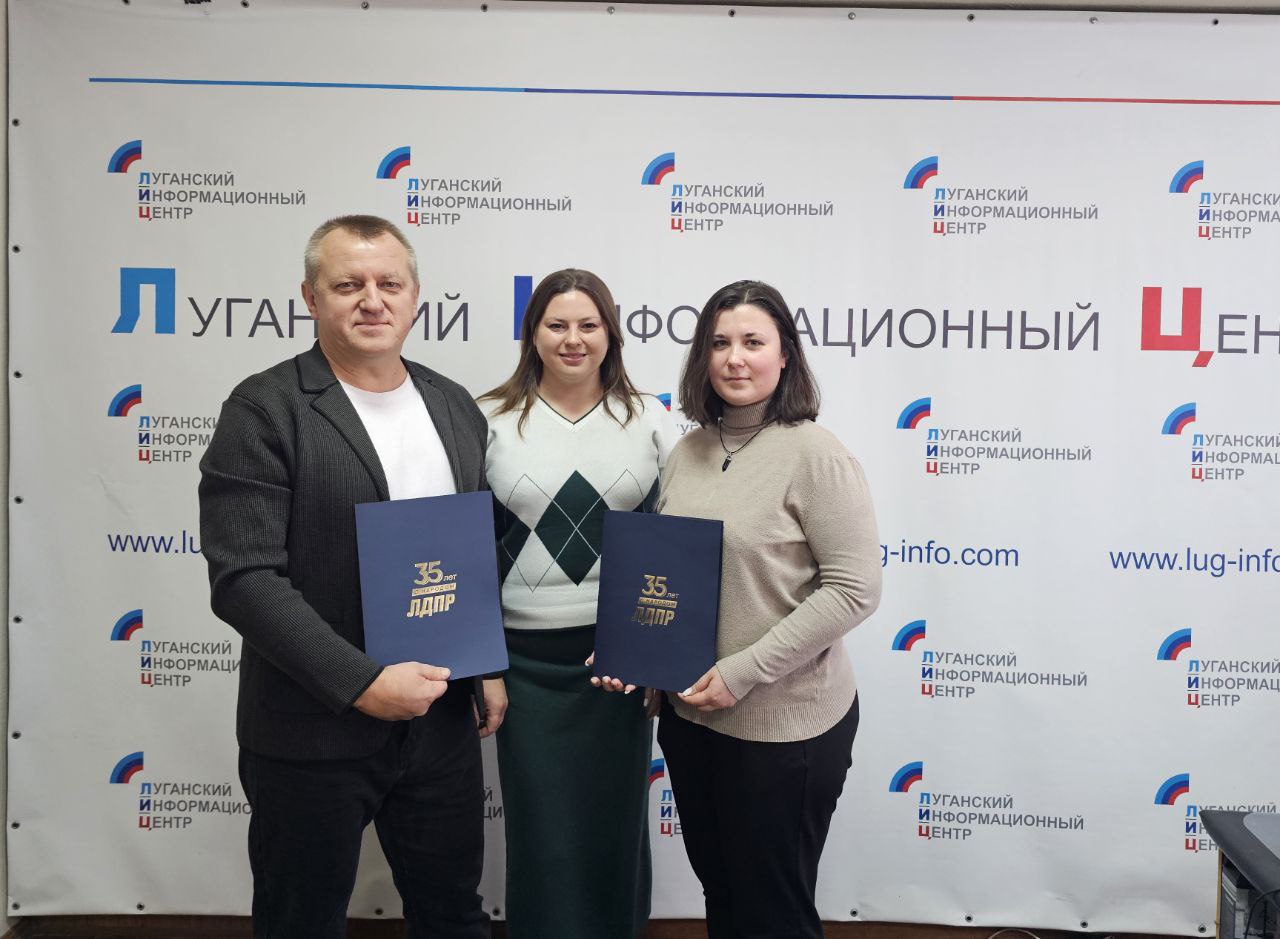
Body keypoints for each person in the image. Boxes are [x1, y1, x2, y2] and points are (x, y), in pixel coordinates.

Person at [198, 215, 502, 939]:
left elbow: (469, 549)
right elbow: (245, 578)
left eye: (389, 283)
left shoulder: (454, 405)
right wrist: (363, 682)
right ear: (310, 297)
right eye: (348, 284)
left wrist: (486, 663)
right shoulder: (264, 408)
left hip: (441, 724)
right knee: (300, 923)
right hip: (312, 727)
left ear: (416, 296)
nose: (372, 299)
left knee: (454, 916)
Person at [655, 280, 882, 938]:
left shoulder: (816, 453)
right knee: (724, 896)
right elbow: (670, 576)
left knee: (773, 914)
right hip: (692, 721)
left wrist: (743, 670)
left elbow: (854, 588)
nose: (734, 358)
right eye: (719, 342)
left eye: (753, 342)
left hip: (784, 731)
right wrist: (637, 652)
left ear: (785, 356)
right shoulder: (689, 451)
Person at [479, 269, 673, 938]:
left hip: (615, 661)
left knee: (614, 823)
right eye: (556, 324)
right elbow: (468, 546)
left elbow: (670, 541)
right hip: (523, 662)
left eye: (589, 325)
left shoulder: (649, 417)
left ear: (610, 334)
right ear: (531, 333)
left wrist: (652, 653)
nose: (573, 339)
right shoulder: (488, 418)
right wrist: (484, 665)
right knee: (540, 830)